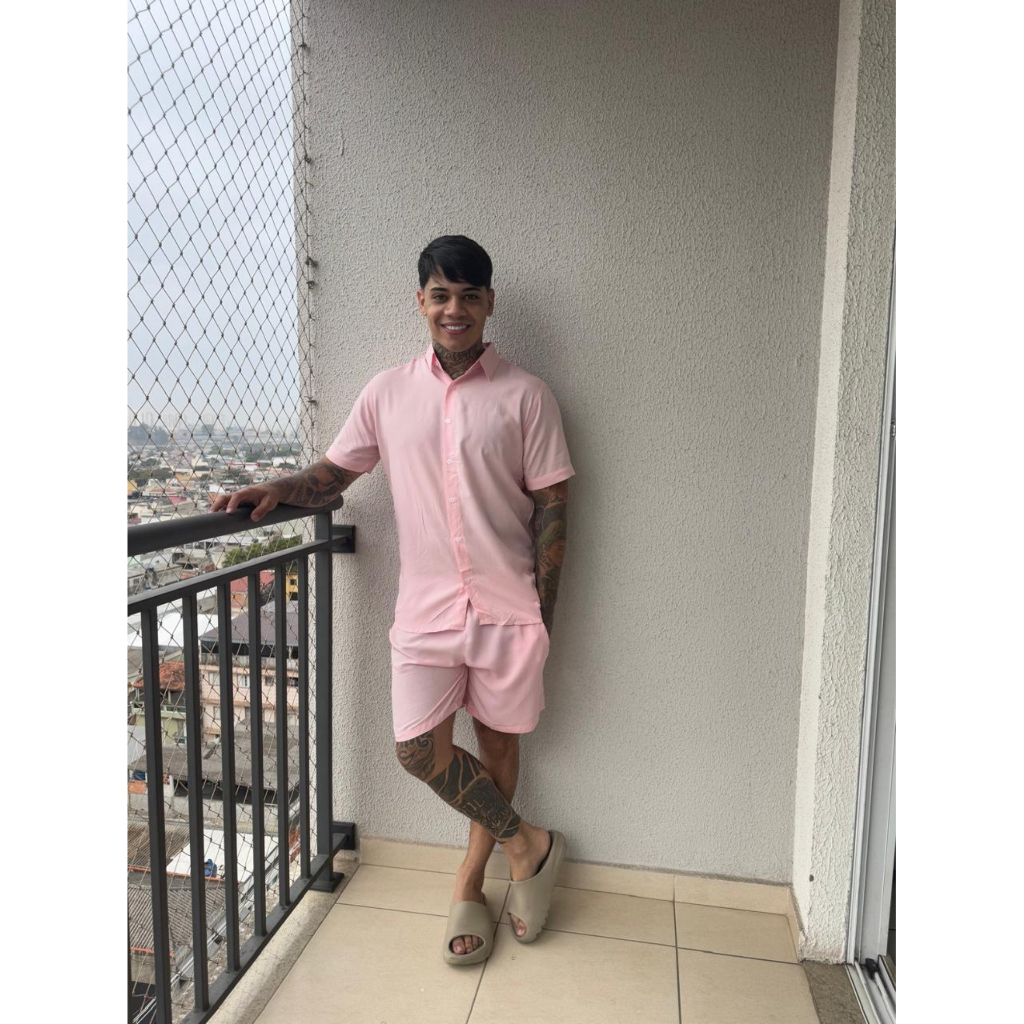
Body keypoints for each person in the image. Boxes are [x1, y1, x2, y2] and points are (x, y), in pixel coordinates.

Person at [211, 234, 574, 965]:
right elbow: (335, 474)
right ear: (420, 302)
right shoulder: (387, 392)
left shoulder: (527, 395)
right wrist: (279, 488)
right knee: (417, 751)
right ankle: (528, 845)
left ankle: (469, 881)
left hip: (508, 608)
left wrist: (544, 613)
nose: (454, 309)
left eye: (468, 295)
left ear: (489, 303)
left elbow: (554, 507)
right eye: (440, 295)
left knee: (498, 746)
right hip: (426, 611)